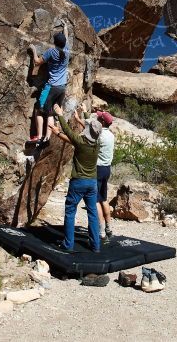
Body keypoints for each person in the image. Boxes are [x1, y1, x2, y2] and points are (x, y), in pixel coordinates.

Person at [50, 103, 102, 253]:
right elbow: (91, 126)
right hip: (92, 182)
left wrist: (59, 114)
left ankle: (68, 244)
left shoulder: (80, 142)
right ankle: (95, 246)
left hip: (78, 181)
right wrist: (85, 113)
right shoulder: (97, 142)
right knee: (92, 214)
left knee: (70, 211)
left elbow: (67, 131)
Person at [74, 104, 116, 242]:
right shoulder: (110, 135)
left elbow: (89, 131)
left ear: (102, 122)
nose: (97, 118)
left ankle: (101, 231)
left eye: (99, 118)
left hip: (97, 170)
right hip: (107, 169)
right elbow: (90, 128)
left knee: (95, 200)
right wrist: (83, 117)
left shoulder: (100, 136)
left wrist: (83, 115)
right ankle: (109, 228)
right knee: (103, 199)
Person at [29, 28, 69, 144]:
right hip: (62, 87)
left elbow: (37, 62)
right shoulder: (67, 50)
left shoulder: (52, 52)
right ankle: (47, 138)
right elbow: (65, 38)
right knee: (50, 112)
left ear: (55, 42)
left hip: (51, 87)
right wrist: (65, 28)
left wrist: (33, 50)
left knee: (39, 109)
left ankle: (39, 137)